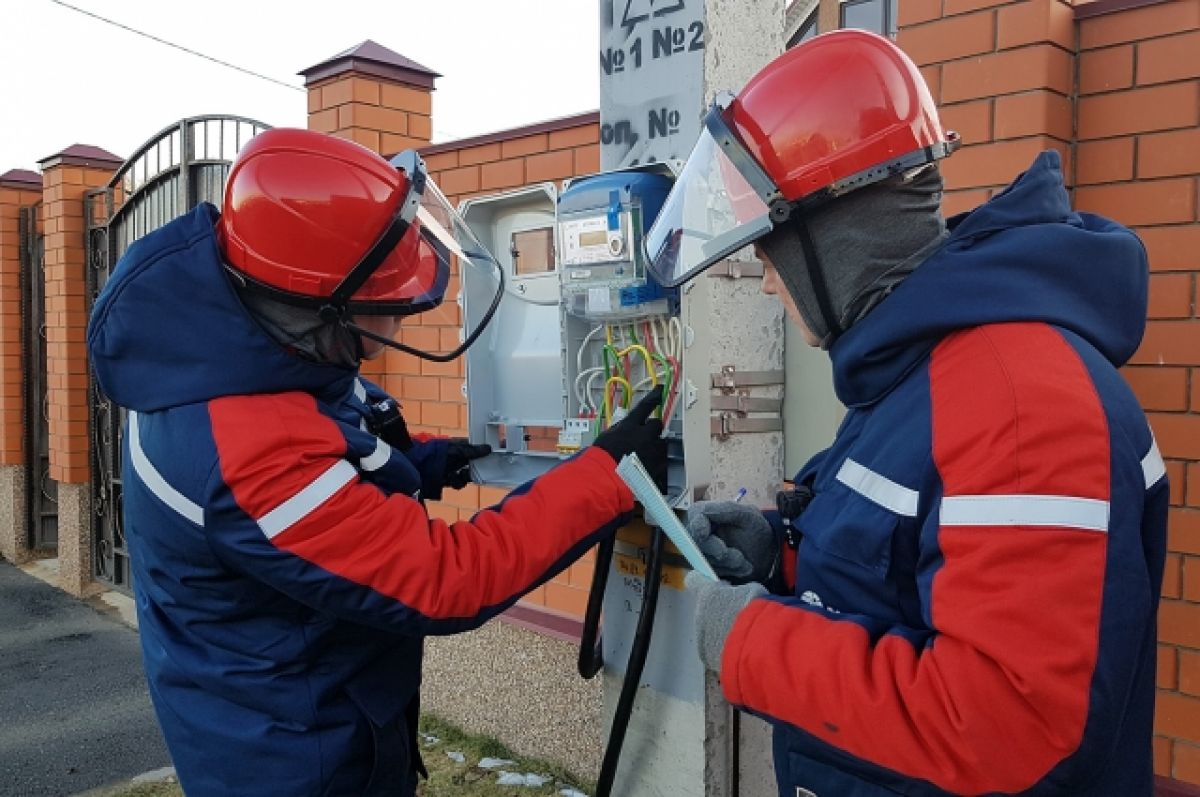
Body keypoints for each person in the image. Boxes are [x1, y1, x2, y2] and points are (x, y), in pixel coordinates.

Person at [643, 29, 1168, 796]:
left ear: (836, 239)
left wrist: (755, 640)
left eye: (770, 255)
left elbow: (1012, 731)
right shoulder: (919, 373)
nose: (766, 286)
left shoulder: (1021, 400)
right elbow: (914, 569)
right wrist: (779, 556)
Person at [86, 128, 667, 796]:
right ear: (316, 312)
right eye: (381, 312)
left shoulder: (217, 348)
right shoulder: (243, 452)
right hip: (295, 763)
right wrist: (606, 475)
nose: (395, 326)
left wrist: (422, 460)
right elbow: (450, 577)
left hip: (308, 711)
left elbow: (330, 430)